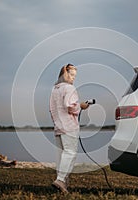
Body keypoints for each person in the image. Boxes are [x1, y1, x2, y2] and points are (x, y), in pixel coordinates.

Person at [49, 64, 89, 193]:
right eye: (71, 75)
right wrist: (81, 106)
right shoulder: (69, 88)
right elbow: (69, 106)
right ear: (64, 74)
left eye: (74, 76)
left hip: (58, 126)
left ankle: (63, 183)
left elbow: (52, 109)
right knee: (70, 153)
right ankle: (60, 180)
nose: (73, 78)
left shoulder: (55, 89)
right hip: (69, 126)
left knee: (61, 156)